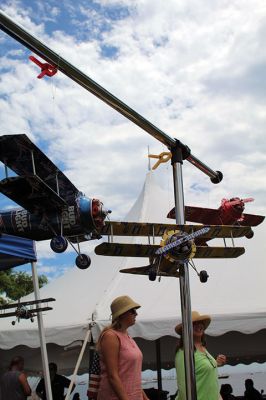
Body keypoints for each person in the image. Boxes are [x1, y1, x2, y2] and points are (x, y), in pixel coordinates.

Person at [97, 295, 150, 400]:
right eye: (132, 311)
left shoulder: (128, 337)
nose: (136, 314)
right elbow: (112, 376)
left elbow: (133, 377)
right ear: (121, 314)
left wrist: (145, 398)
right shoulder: (110, 336)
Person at [175, 311, 226, 400]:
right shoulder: (184, 352)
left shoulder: (203, 348)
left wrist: (216, 363)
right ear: (186, 329)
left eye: (200, 323)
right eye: (194, 323)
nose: (199, 325)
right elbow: (183, 387)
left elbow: (203, 371)